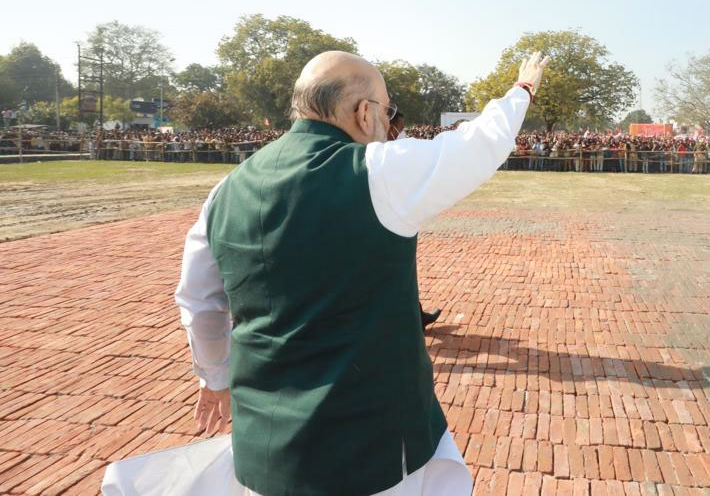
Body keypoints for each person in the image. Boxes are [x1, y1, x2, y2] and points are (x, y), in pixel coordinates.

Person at [173, 51, 548, 496]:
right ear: (364, 111)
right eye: (386, 110)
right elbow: (480, 143)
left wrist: (215, 379)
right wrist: (521, 90)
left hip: (265, 445)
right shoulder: (377, 171)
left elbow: (200, 303)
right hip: (372, 443)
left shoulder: (225, 190)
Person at [387, 110, 442, 331]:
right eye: (400, 124)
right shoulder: (384, 146)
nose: (403, 128)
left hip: (395, 217)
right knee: (398, 276)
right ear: (392, 124)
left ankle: (417, 316)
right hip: (391, 220)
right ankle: (415, 319)